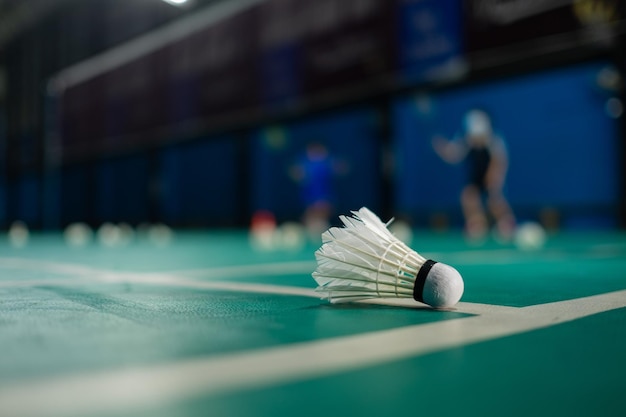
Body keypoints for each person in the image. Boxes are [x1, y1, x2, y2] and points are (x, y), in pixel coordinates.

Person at [432, 108, 515, 240]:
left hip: (490, 176)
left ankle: (507, 225)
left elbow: (500, 161)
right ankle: (477, 225)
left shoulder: (494, 141)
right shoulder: (466, 140)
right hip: (475, 176)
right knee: (469, 196)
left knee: (495, 200)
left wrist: (495, 177)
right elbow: (453, 155)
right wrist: (442, 149)